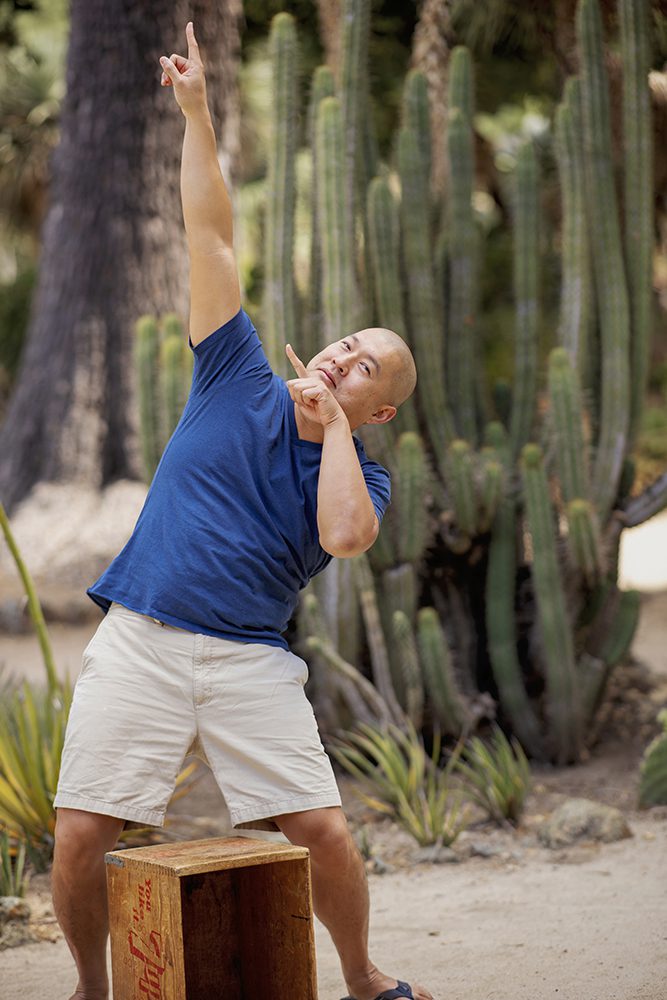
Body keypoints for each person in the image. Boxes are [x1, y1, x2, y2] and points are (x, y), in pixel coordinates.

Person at [51, 22, 433, 1000]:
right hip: (139, 639)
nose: (340, 357)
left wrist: (331, 428)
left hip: (247, 661)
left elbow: (345, 536)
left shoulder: (364, 474)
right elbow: (211, 228)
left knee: (321, 829)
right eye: (345, 342)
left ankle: (360, 975)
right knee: (85, 830)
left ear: (377, 406)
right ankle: (94, 991)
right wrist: (195, 112)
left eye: (364, 370)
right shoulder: (234, 373)